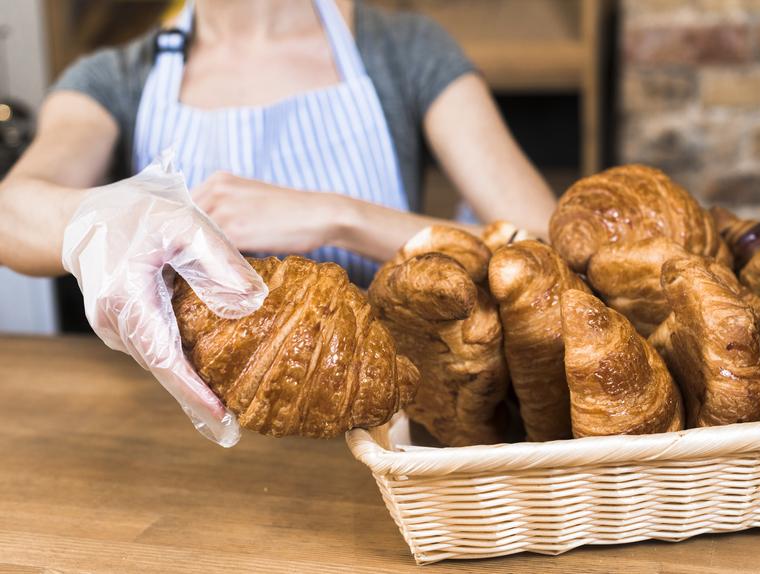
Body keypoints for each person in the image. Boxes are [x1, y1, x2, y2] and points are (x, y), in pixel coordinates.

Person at [0, 0, 557, 445]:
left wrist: (339, 217)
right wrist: (108, 219)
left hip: (390, 439)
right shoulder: (116, 78)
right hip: (180, 444)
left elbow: (543, 253)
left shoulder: (403, 50)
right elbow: (11, 212)